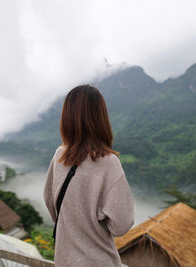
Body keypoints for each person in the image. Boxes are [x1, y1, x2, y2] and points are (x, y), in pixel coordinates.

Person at [44, 85, 134, 267]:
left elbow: (51, 204)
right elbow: (122, 225)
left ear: (67, 117)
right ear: (100, 118)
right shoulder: (109, 163)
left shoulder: (59, 156)